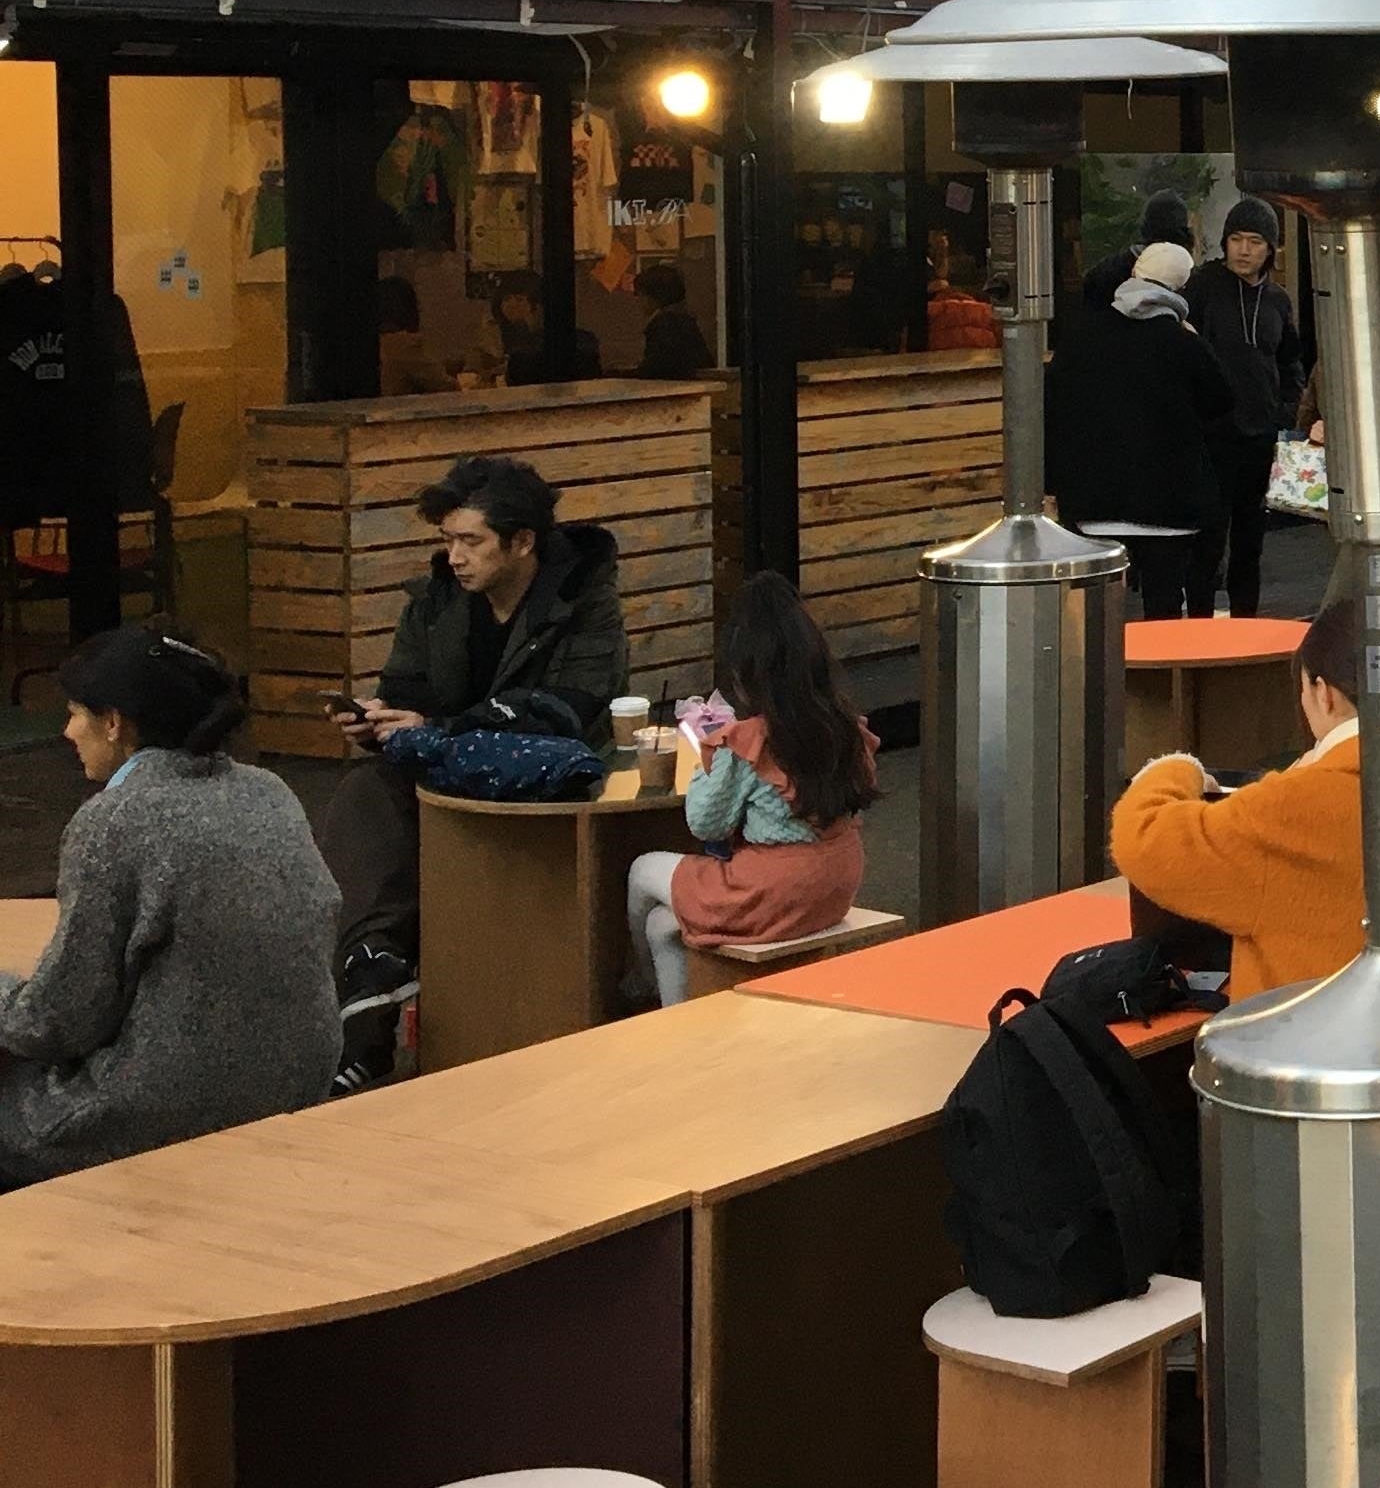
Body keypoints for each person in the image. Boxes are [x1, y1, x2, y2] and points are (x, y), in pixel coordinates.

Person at [0, 624, 338, 1188]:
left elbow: (57, 1023)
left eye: (75, 714)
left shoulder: (114, 821)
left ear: (114, 723)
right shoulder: (270, 791)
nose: (66, 731)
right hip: (296, 1085)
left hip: (172, 1109)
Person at [1105, 599, 1380, 1002]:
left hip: (1307, 1030)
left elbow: (1142, 837)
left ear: (1324, 692)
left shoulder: (1291, 805)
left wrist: (1176, 768)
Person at [623, 575, 879, 1007]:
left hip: (771, 890)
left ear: (744, 676)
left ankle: (634, 984)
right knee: (662, 926)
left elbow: (706, 823)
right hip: (835, 884)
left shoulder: (747, 741)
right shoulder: (847, 729)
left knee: (642, 869)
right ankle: (669, 1011)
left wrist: (707, 759)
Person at [346, 455, 634, 805]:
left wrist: (436, 730)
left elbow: (564, 713)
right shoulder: (435, 602)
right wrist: (377, 720)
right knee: (366, 789)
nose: (455, 557)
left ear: (523, 542)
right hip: (443, 768)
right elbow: (403, 693)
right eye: (448, 540)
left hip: (550, 777)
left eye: (471, 541)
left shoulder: (582, 601)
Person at [1053, 240, 1282, 605]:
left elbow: (1055, 408)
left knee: (1094, 614)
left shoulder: (1081, 340)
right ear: (1180, 287)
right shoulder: (1185, 343)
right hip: (1167, 507)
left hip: (1092, 503)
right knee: (1163, 608)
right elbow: (1221, 401)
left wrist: (1055, 484)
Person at [1182, 198, 1309, 612]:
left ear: (1270, 248)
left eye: (1255, 241)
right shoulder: (1202, 287)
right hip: (1210, 435)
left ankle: (1246, 624)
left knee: (1250, 542)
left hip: (1259, 436)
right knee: (1207, 541)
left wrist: (1285, 411)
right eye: (1236, 239)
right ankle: (1198, 627)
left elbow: (1290, 360)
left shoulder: (1277, 300)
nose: (1244, 250)